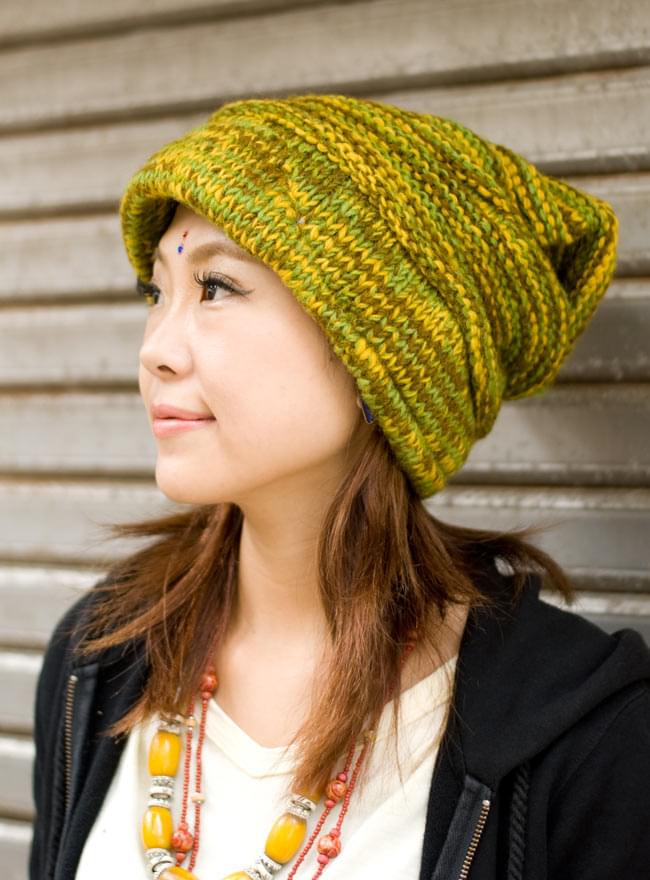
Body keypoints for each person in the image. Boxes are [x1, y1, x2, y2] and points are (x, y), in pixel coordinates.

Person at [29, 94, 650, 880]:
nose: (155, 350)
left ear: (384, 354)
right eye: (157, 293)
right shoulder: (103, 655)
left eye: (215, 286)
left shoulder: (581, 734)